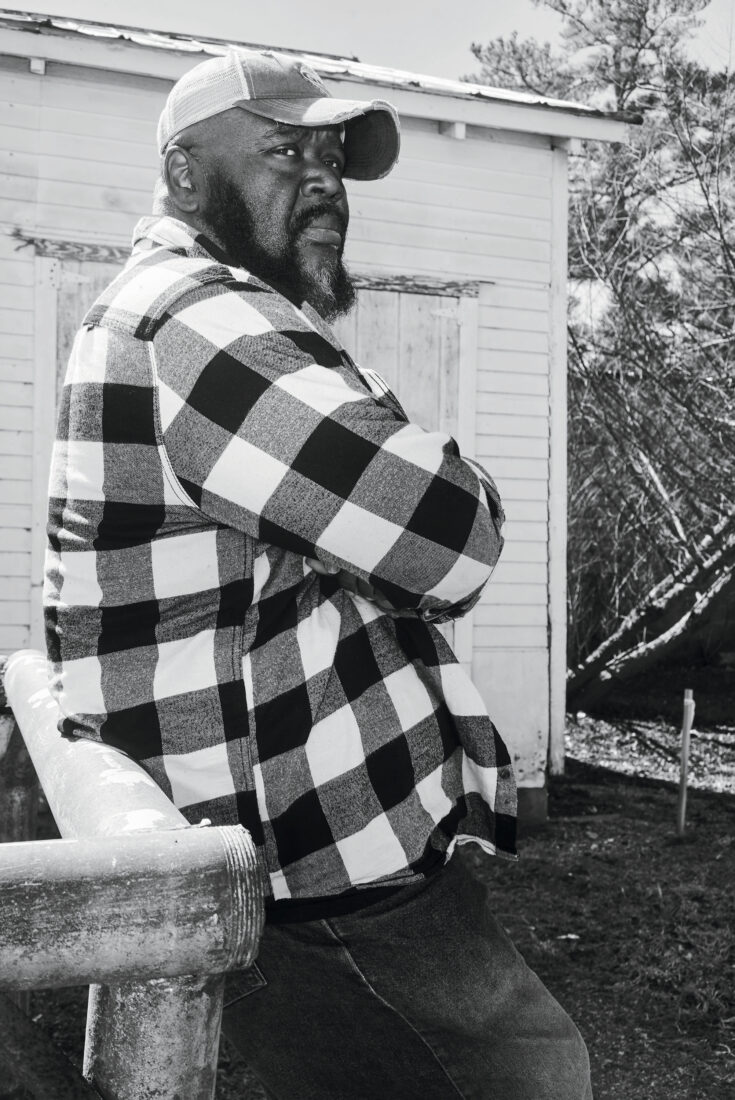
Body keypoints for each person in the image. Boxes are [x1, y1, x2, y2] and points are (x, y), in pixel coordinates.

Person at [44, 48, 592, 1099]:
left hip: (285, 857)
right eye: (284, 151)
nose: (324, 181)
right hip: (320, 872)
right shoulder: (203, 323)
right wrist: (426, 468)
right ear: (185, 174)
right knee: (531, 1069)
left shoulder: (183, 312)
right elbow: (453, 535)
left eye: (332, 157)